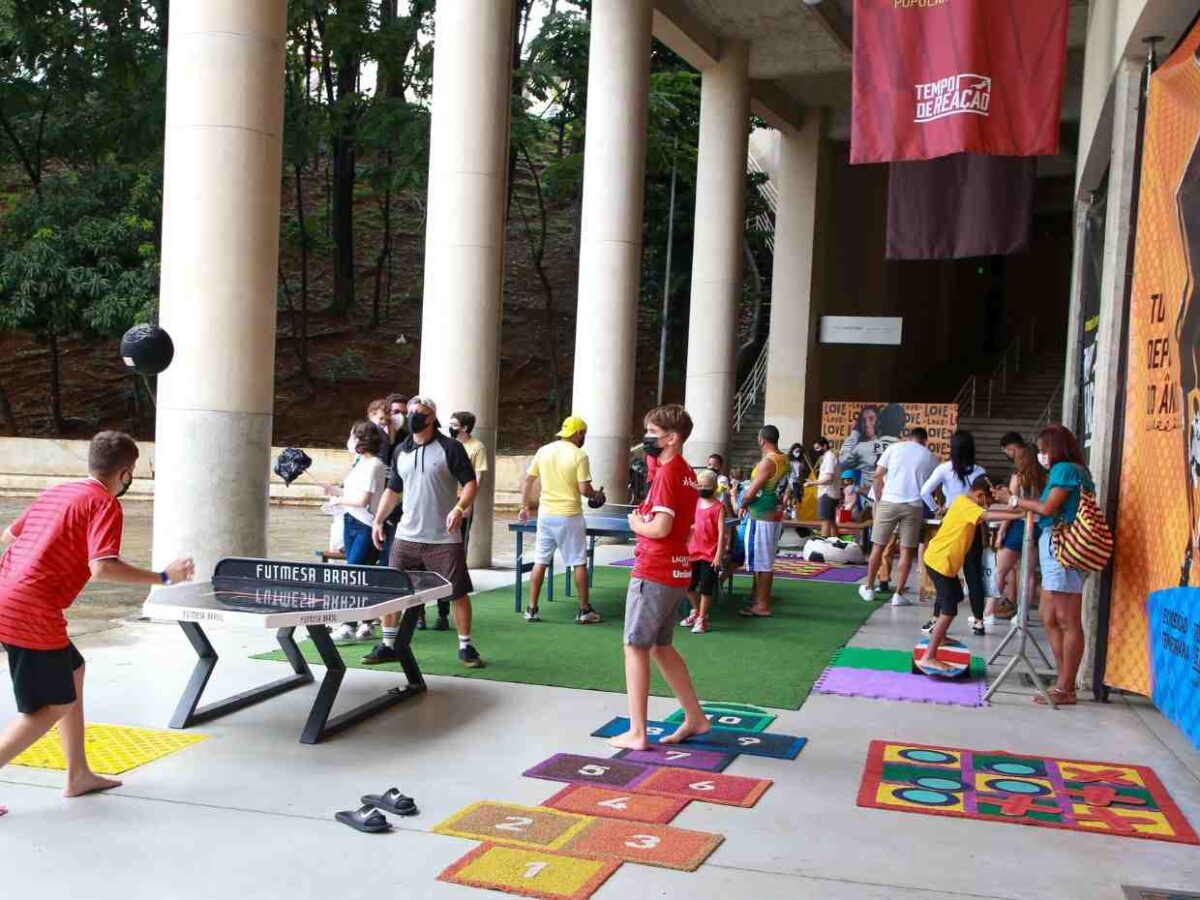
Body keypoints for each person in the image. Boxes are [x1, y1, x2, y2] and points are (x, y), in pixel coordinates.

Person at [0, 432, 194, 816]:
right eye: (132, 472)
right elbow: (103, 567)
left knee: (74, 669)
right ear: (124, 473)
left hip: (8, 595)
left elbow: (10, 536)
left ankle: (78, 774)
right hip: (30, 611)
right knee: (51, 706)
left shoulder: (58, 492)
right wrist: (165, 578)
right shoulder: (104, 503)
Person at [608, 404, 708, 750]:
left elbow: (661, 526)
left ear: (672, 437)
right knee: (661, 647)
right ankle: (695, 717)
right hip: (678, 570)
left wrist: (637, 524)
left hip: (655, 569)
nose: (646, 438)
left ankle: (638, 732)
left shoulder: (669, 475)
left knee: (635, 646)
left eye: (652, 433)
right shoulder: (684, 472)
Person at [368, 396, 484, 668]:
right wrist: (378, 520)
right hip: (406, 536)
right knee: (393, 591)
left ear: (432, 417)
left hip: (443, 539)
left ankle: (466, 647)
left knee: (457, 592)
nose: (412, 417)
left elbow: (470, 484)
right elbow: (392, 490)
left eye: (418, 413)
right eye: (409, 412)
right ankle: (387, 645)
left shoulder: (451, 448)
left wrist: (459, 508)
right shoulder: (401, 451)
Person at [993, 424, 1096, 706]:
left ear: (1055, 449)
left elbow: (1048, 508)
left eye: (1042, 450)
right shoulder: (1074, 471)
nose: (1040, 455)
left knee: (1066, 618)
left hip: (1062, 547)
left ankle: (1066, 685)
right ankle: (1064, 679)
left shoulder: (1065, 471)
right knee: (1049, 615)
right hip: (1055, 546)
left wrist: (1013, 499)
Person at [918, 476, 1014, 675]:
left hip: (943, 563)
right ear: (979, 495)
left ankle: (940, 637)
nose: (987, 505)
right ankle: (929, 655)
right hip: (939, 563)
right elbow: (988, 516)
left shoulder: (965, 502)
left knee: (956, 596)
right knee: (949, 609)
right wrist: (1018, 513)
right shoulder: (967, 504)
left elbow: (985, 515)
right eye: (987, 501)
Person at [519, 416, 606, 624]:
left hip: (546, 515)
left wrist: (524, 506)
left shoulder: (544, 451)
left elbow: (528, 480)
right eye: (583, 433)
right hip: (569, 516)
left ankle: (531, 609)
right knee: (578, 562)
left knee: (540, 560)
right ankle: (584, 610)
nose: (584, 437)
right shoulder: (580, 455)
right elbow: (584, 489)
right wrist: (597, 496)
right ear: (578, 433)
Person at [326, 421, 388, 644]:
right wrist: (335, 492)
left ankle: (348, 626)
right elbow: (353, 493)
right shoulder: (359, 463)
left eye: (352, 436)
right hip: (350, 522)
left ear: (361, 439)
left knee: (353, 574)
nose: (349, 440)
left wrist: (339, 499)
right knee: (361, 575)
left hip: (367, 526)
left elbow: (363, 501)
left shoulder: (375, 466)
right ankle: (366, 623)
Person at [858, 428, 936, 606]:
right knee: (907, 551)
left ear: (909, 438)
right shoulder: (929, 456)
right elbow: (932, 487)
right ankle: (898, 594)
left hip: (889, 501)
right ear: (924, 440)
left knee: (878, 547)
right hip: (914, 506)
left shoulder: (894, 448)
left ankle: (869, 588)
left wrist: (879, 498)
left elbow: (878, 476)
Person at [921, 430, 989, 635]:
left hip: (951, 523)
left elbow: (924, 491)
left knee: (945, 572)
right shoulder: (980, 472)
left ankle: (936, 617)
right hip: (973, 525)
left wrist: (937, 509)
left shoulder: (944, 469)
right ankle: (978, 621)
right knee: (973, 574)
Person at [735, 425, 789, 617]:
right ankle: (757, 599)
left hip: (761, 517)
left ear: (761, 440)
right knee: (763, 561)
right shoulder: (784, 459)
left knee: (763, 563)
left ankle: (763, 605)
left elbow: (753, 489)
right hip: (773, 516)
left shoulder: (768, 462)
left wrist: (742, 503)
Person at [990, 445, 1046, 625]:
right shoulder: (1046, 477)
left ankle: (988, 613)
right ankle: (1022, 615)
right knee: (1028, 574)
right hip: (1039, 526)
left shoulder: (1018, 477)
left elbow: (1011, 505)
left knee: (1000, 570)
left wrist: (1002, 530)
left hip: (1021, 524)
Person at [680, 470, 726, 634]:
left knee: (706, 588)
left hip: (709, 554)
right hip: (692, 552)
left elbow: (722, 532)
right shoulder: (694, 502)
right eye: (700, 485)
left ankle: (702, 618)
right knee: (687, 585)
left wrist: (718, 553)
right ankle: (697, 611)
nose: (702, 488)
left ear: (714, 487)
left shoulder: (719, 507)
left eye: (706, 486)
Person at [449, 410, 487, 565]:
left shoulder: (477, 447)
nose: (450, 428)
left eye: (454, 425)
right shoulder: (448, 444)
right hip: (445, 495)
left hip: (462, 498)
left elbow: (478, 478)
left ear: (464, 428)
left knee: (461, 536)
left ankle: (459, 571)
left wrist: (468, 503)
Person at [810, 436, 839, 537]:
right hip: (829, 492)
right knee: (831, 521)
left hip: (827, 493)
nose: (816, 450)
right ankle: (835, 542)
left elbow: (828, 478)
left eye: (818, 448)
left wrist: (813, 483)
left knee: (825, 521)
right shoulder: (827, 457)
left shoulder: (829, 457)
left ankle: (824, 544)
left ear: (825, 446)